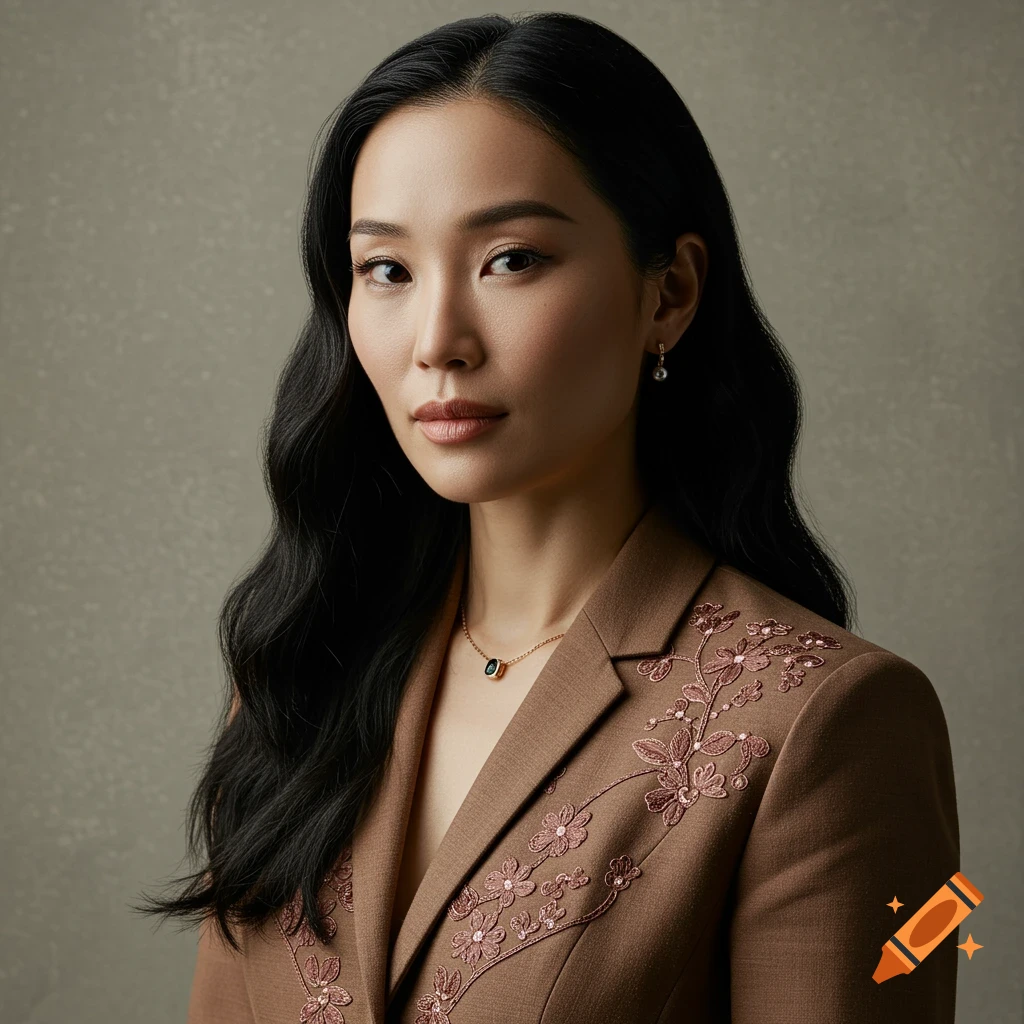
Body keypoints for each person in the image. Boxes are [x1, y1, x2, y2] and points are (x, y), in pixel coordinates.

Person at [135, 12, 960, 1023]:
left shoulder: (819, 721)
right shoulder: (302, 673)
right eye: (386, 270)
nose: (437, 339)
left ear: (670, 293)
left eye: (511, 259)